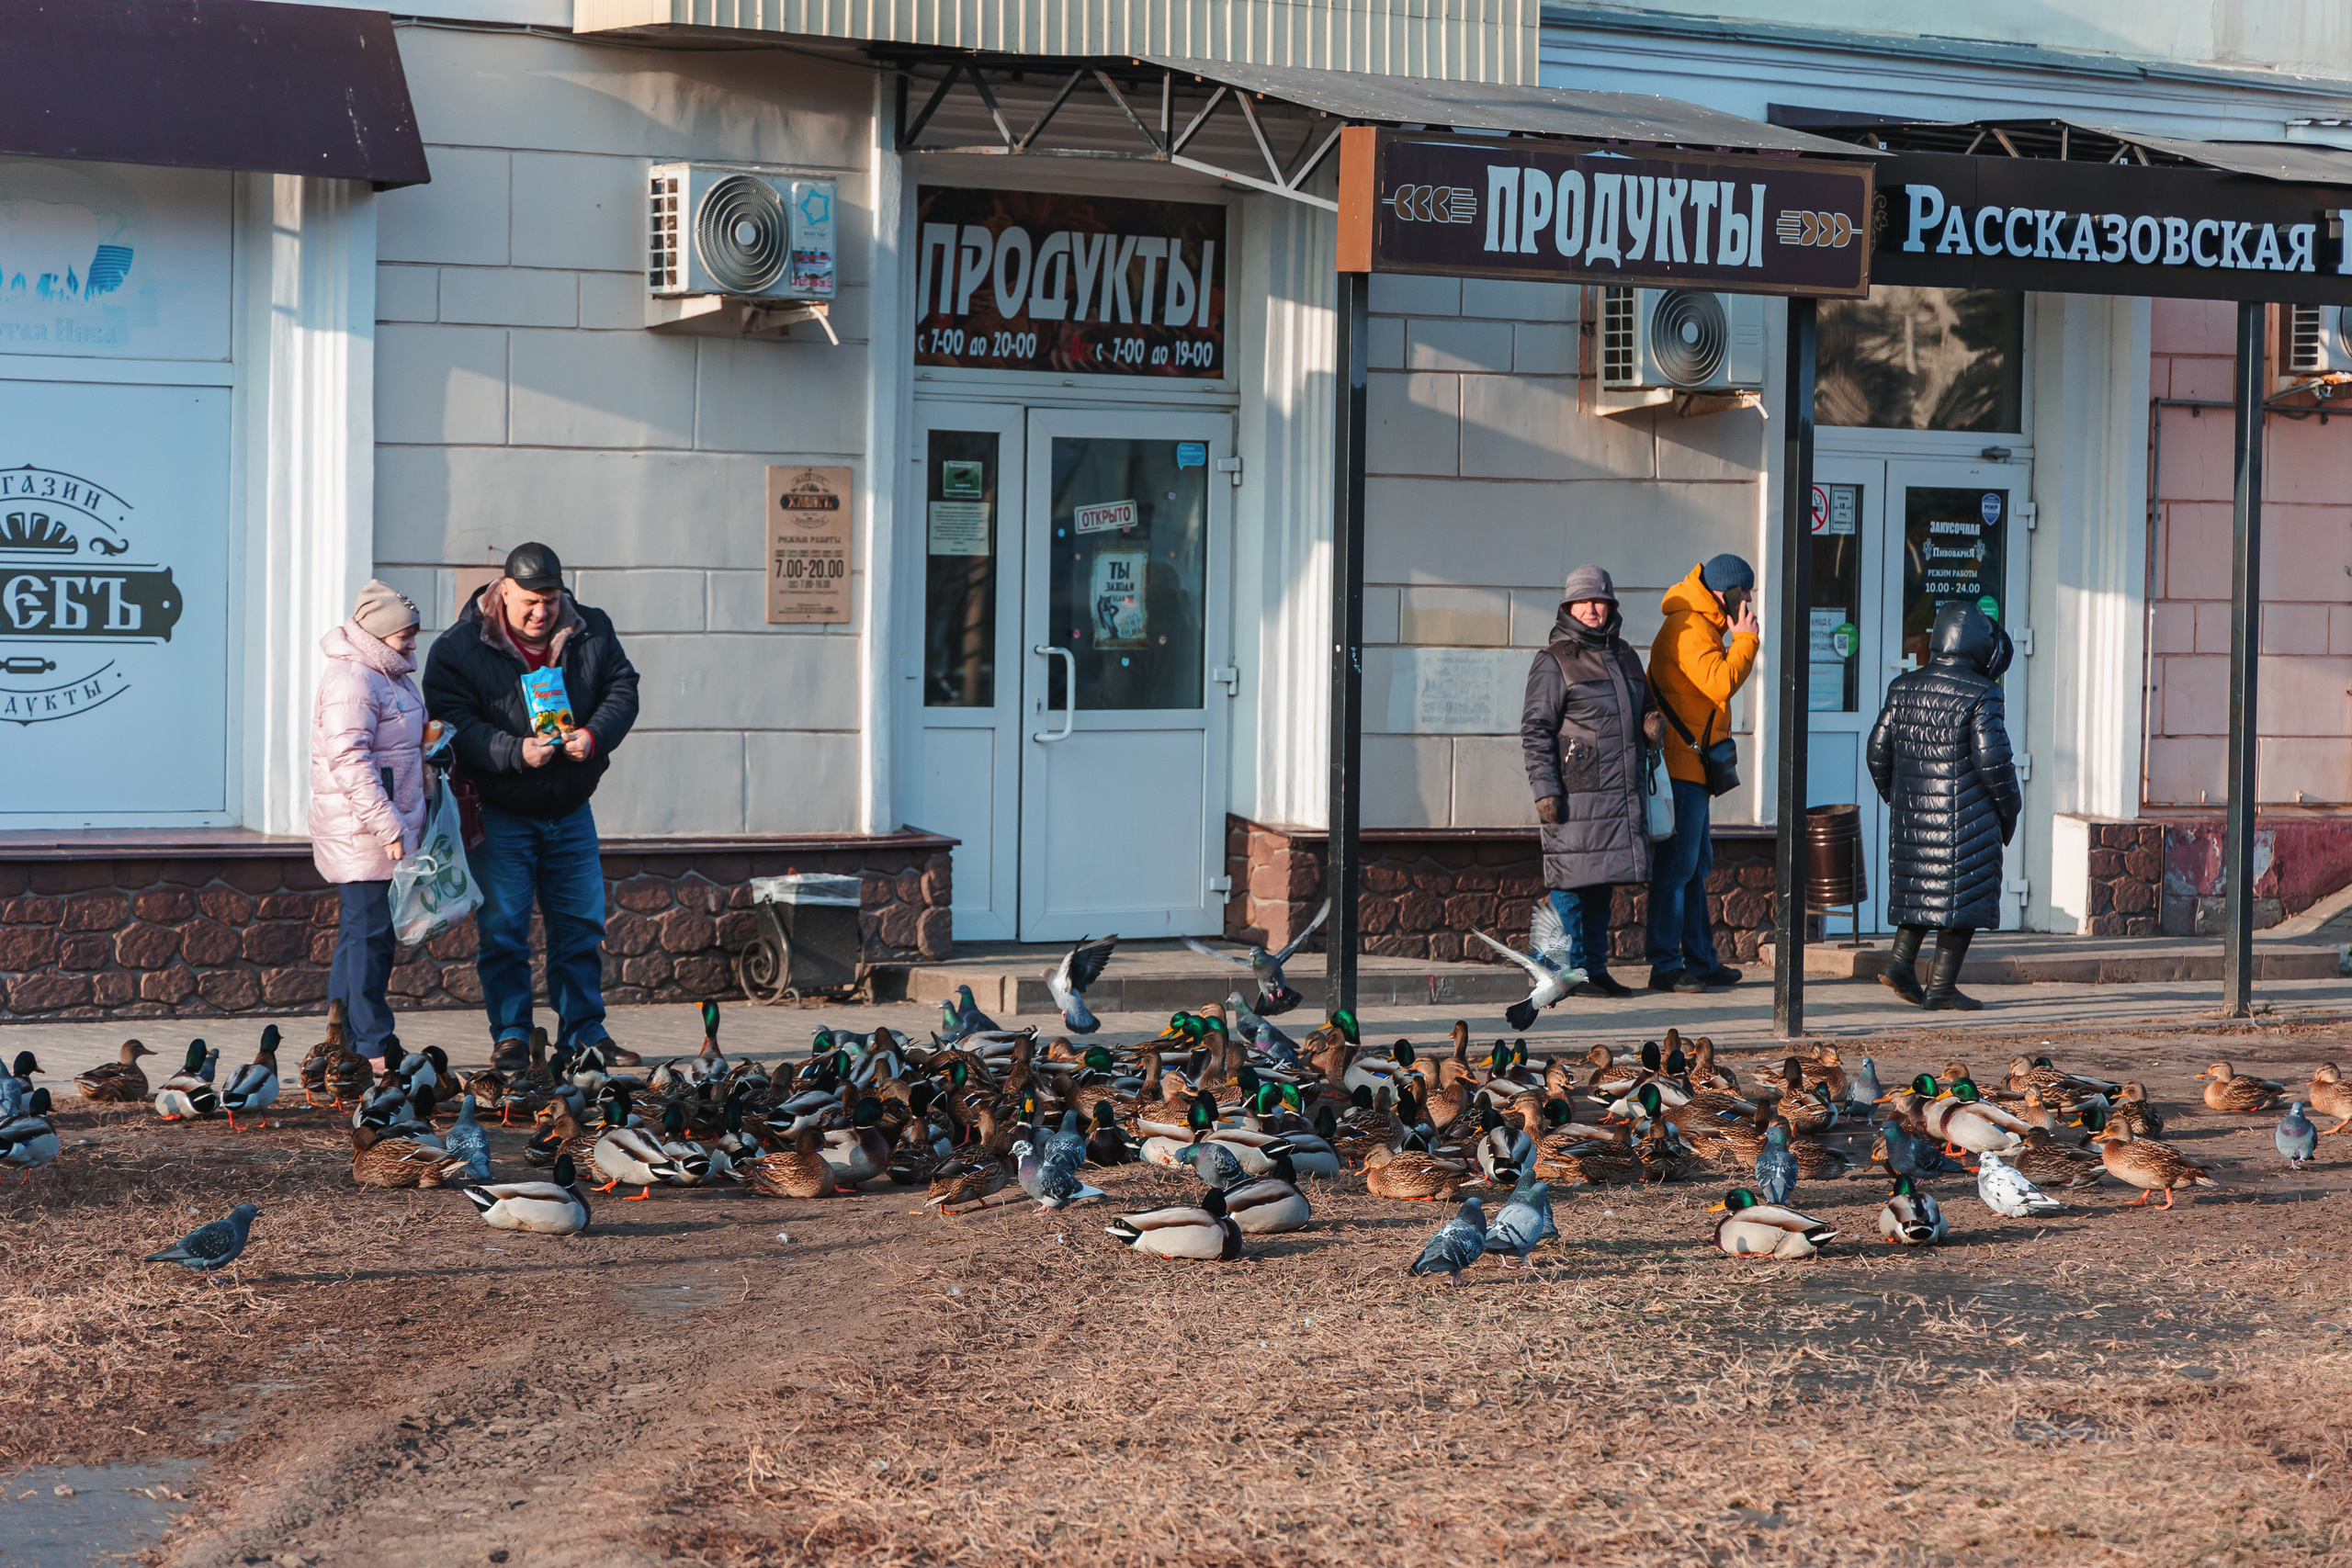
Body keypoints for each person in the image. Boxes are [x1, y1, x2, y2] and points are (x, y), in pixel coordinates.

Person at [424, 543, 641, 1064]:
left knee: (582, 927)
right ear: (503, 590)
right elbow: (453, 722)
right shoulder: (458, 647)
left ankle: (585, 1035)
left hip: (570, 808)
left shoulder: (591, 627)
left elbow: (622, 689)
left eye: (550, 599)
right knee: (503, 930)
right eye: (529, 601)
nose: (541, 612)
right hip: (501, 812)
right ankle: (513, 1035)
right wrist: (514, 751)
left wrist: (593, 736)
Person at [1867, 602, 2020, 1010]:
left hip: (1913, 819)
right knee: (1961, 899)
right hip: (1968, 820)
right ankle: (1941, 987)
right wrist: (2011, 810)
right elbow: (1995, 762)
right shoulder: (1982, 692)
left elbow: (1877, 753)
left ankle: (1901, 964)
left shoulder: (1902, 688)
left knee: (1922, 889)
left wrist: (1900, 800)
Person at [1521, 565, 1664, 997]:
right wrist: (1545, 791)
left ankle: (1593, 969)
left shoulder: (1625, 655)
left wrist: (1651, 721)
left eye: (1598, 601)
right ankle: (1562, 973)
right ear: (1568, 607)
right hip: (1573, 795)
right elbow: (1535, 730)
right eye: (1582, 602)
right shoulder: (1555, 660)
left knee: (1601, 891)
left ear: (1610, 606)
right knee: (1569, 889)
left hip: (1617, 797)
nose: (1591, 609)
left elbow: (1643, 704)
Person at [309, 581, 427, 1064]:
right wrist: (390, 827)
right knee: (370, 938)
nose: (413, 643)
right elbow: (351, 761)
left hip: (377, 826)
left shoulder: (387, 673)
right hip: (365, 831)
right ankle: (375, 1049)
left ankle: (344, 1047)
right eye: (405, 635)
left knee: (360, 934)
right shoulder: (353, 680)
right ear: (378, 635)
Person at [1645, 553, 1760, 993]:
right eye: (1743, 593)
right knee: (1677, 868)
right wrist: (1746, 641)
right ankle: (1665, 965)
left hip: (1693, 766)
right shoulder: (1689, 627)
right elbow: (1719, 682)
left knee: (1695, 867)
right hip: (1680, 768)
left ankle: (1700, 958)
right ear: (1723, 594)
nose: (1748, 602)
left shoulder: (1705, 625)